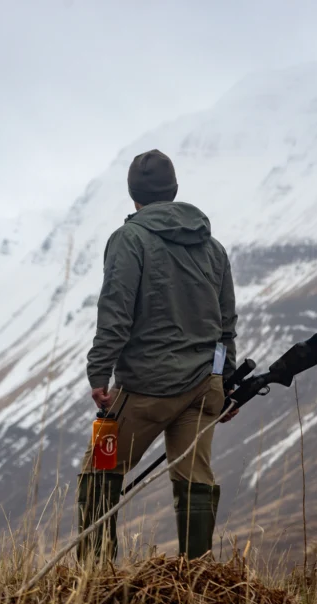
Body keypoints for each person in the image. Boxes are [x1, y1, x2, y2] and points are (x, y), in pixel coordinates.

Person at [79, 149, 237, 563]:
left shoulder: (129, 240)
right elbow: (226, 325)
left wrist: (99, 374)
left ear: (133, 196)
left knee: (97, 473)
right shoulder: (213, 247)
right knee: (194, 478)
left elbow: (115, 313)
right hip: (206, 387)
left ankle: (92, 582)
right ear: (175, 191)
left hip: (147, 389)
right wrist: (228, 384)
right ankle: (198, 581)